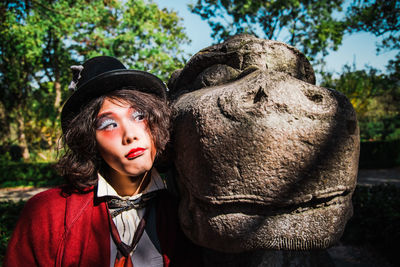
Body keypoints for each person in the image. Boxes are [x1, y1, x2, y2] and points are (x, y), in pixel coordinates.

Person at [4, 56, 202, 267]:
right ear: (89, 140)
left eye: (139, 116)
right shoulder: (47, 213)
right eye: (109, 124)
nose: (130, 135)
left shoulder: (183, 211)